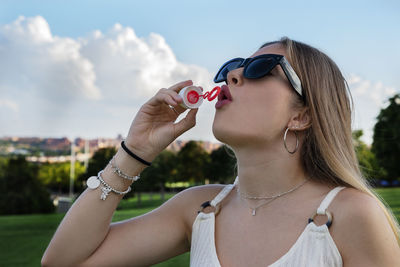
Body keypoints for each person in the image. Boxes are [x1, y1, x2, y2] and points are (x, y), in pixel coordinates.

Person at [41, 37, 400, 267]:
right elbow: (63, 262)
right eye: (230, 68)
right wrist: (134, 152)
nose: (232, 76)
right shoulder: (199, 210)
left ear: (303, 114)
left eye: (260, 68)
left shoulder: (352, 216)